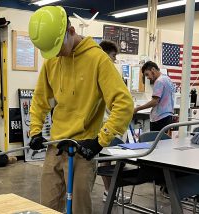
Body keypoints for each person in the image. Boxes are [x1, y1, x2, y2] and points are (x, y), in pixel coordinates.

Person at [28, 6, 134, 214]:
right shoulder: (52, 60)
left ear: (72, 31)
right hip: (55, 146)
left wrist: (99, 141)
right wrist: (35, 131)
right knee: (47, 207)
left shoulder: (98, 60)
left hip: (82, 150)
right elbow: (40, 99)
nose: (56, 53)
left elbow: (124, 104)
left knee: (78, 209)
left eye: (59, 47)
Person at [99, 40, 130, 203]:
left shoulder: (112, 73)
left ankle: (112, 191)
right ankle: (108, 191)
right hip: (104, 124)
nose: (114, 59)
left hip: (114, 124)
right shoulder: (99, 72)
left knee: (116, 161)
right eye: (112, 55)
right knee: (106, 160)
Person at [134, 61, 174, 132]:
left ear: (153, 70)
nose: (148, 78)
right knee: (165, 142)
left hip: (160, 119)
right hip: (168, 116)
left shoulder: (159, 81)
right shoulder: (167, 79)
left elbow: (154, 102)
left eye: (147, 74)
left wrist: (138, 108)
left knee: (155, 141)